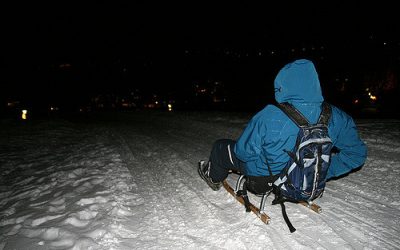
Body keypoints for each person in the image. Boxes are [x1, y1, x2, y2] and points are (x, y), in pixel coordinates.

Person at [198, 58, 367, 195]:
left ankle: (213, 177)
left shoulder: (270, 114)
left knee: (221, 146)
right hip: (306, 181)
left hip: (263, 181)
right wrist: (321, 171)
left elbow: (244, 152)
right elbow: (357, 154)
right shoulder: (337, 116)